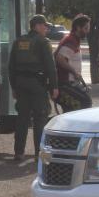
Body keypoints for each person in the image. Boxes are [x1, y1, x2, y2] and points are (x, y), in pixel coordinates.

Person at [8, 14, 59, 160]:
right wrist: (54, 86)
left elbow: (11, 67)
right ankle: (38, 153)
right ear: (37, 26)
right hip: (37, 85)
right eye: (44, 25)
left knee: (22, 119)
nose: (46, 28)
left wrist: (14, 87)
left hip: (21, 84)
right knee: (40, 118)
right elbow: (50, 66)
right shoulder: (43, 42)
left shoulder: (18, 41)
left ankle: (19, 152)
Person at [54, 14, 91, 113]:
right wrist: (74, 72)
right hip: (64, 84)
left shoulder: (74, 40)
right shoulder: (71, 40)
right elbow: (60, 58)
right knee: (85, 103)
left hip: (68, 83)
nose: (88, 31)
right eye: (86, 28)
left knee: (73, 110)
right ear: (78, 27)